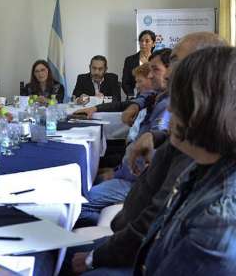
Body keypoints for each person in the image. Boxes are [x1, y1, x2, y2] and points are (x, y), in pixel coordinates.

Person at [129, 47, 236, 275]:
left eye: (179, 100)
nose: (170, 108)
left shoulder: (230, 214)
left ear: (211, 110)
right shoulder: (215, 162)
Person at [67, 32, 227, 275]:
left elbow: (157, 219)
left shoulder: (203, 148)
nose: (154, 77)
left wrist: (95, 257)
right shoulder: (176, 118)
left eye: (174, 63)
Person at [76, 50, 171, 227]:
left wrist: (119, 174)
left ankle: (113, 228)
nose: (149, 75)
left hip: (137, 183)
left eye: (155, 70)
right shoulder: (153, 97)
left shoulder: (167, 107)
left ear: (171, 71)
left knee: (75, 204)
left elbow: (148, 158)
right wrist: (135, 104)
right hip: (129, 175)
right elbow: (141, 98)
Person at [73, 63, 152, 119]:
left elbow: (117, 101)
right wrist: (94, 108)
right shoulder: (82, 78)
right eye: (94, 68)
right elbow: (120, 105)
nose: (136, 86)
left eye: (140, 81)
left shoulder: (112, 78)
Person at [121, 30, 156, 98]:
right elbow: (125, 82)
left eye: (147, 41)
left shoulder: (157, 60)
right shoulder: (130, 60)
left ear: (153, 43)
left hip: (153, 97)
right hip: (134, 97)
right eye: (141, 40)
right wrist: (131, 95)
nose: (143, 43)